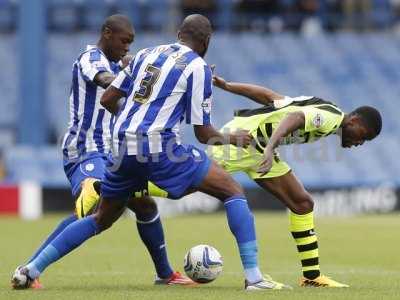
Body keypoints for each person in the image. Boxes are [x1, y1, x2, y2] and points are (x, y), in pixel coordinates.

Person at [12, 14, 291, 291]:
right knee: (231, 190)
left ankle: (31, 269)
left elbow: (109, 98)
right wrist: (235, 139)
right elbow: (204, 134)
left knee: (102, 218)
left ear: (179, 34)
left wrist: (134, 123)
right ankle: (254, 278)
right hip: (158, 147)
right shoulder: (197, 67)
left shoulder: (146, 53)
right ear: (206, 41)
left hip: (121, 145)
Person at [12, 14, 191, 289]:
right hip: (84, 148)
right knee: (93, 208)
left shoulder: (120, 62)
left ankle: (165, 275)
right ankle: (29, 271)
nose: (127, 47)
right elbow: (107, 80)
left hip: (111, 152)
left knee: (144, 205)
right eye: (124, 41)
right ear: (107, 33)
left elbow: (140, 70)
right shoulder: (90, 58)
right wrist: (133, 83)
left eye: (131, 43)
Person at [209, 75, 382, 287]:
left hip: (257, 149)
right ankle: (154, 187)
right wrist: (272, 147)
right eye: (362, 135)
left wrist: (227, 86)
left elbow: (269, 97)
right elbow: (296, 117)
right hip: (239, 142)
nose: (360, 142)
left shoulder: (326, 110)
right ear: (354, 121)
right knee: (185, 182)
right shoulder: (330, 118)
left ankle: (312, 277)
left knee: (302, 203)